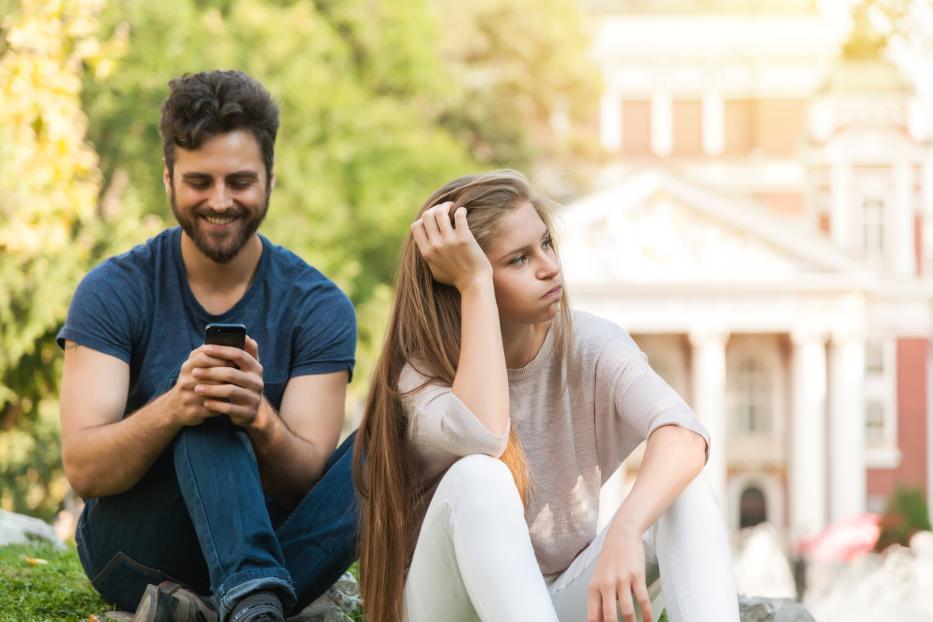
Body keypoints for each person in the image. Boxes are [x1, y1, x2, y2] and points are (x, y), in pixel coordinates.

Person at [353, 170, 741, 622]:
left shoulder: (590, 344)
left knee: (683, 487)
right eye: (518, 259)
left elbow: (685, 433)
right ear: (458, 279)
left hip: (552, 603)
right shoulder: (421, 375)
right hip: (448, 608)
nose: (549, 266)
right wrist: (475, 285)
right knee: (480, 474)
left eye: (546, 245)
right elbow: (484, 435)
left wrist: (626, 528)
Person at [57, 70, 358, 622]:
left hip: (284, 550)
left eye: (240, 181)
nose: (220, 202)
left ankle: (242, 604)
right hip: (139, 553)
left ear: (269, 178)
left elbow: (308, 490)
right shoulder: (113, 289)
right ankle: (253, 602)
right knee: (205, 397)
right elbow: (84, 470)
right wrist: (177, 407)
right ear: (169, 179)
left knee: (395, 433)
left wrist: (259, 419)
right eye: (200, 181)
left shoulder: (319, 304)